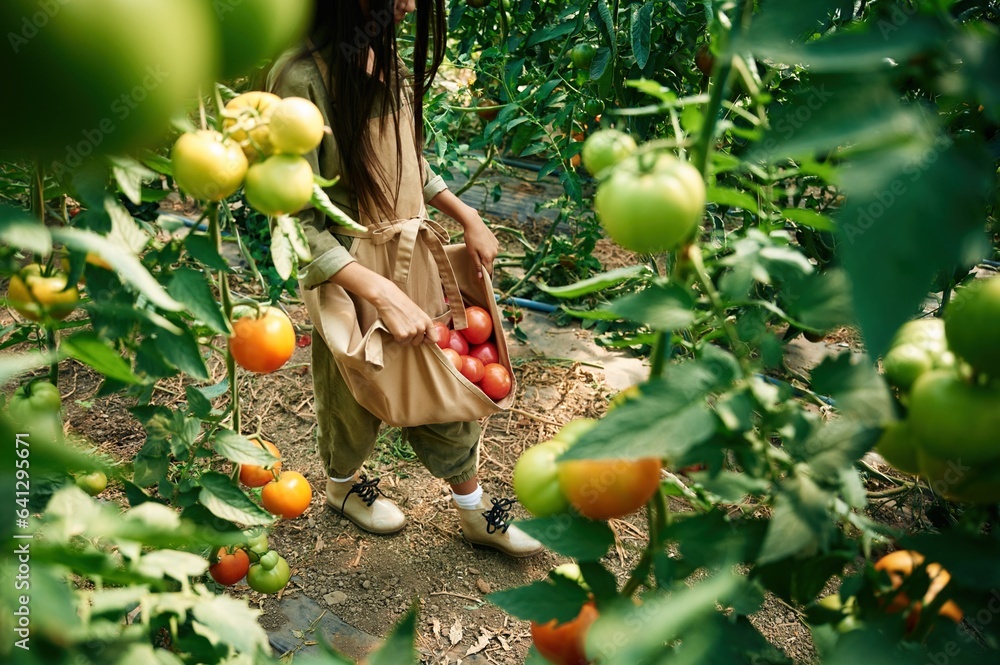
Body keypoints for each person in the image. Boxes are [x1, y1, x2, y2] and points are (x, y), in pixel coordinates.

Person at [266, 0, 542, 557]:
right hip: (349, 276)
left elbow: (413, 162)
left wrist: (467, 214)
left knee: (443, 379)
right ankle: (342, 489)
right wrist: (380, 293)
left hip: (408, 260)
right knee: (352, 396)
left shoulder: (382, 55)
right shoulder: (299, 80)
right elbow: (295, 223)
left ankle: (473, 508)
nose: (412, 5)